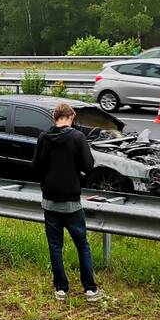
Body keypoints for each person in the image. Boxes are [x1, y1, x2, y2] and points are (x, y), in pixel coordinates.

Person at [34, 102, 103, 302]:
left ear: (55, 118)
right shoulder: (77, 137)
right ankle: (90, 289)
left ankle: (61, 289)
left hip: (49, 201)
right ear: (70, 117)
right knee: (82, 244)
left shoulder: (43, 138)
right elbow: (89, 166)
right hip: (71, 202)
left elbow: (35, 166)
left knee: (55, 246)